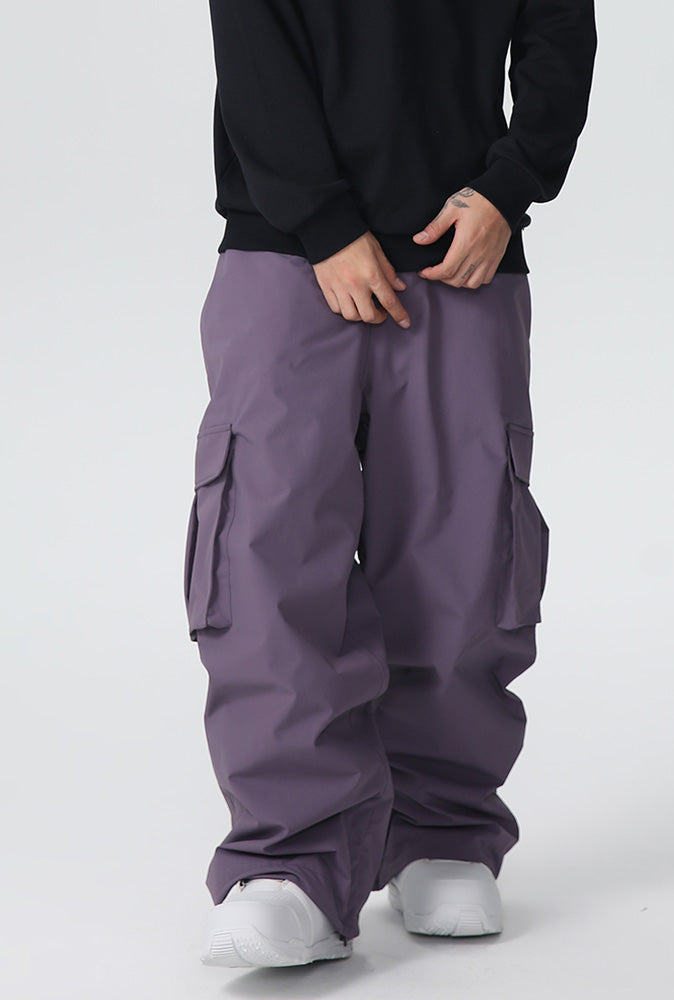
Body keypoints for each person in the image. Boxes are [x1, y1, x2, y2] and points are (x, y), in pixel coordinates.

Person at [183, 0, 597, 970]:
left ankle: (444, 828)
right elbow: (252, 37)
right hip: (287, 250)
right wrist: (324, 222)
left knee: (463, 548)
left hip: (463, 251)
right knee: (270, 546)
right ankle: (291, 858)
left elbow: (559, 31)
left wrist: (508, 188)